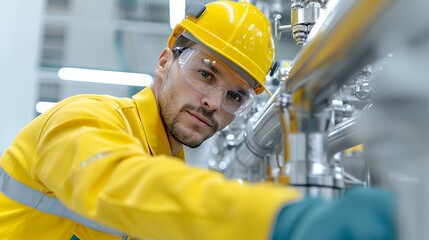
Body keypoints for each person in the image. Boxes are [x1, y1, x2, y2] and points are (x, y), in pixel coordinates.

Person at [0, 1, 396, 239]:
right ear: (163, 62)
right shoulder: (85, 117)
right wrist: (282, 218)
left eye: (235, 95)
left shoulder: (167, 162)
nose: (213, 103)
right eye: (205, 74)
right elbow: (120, 184)